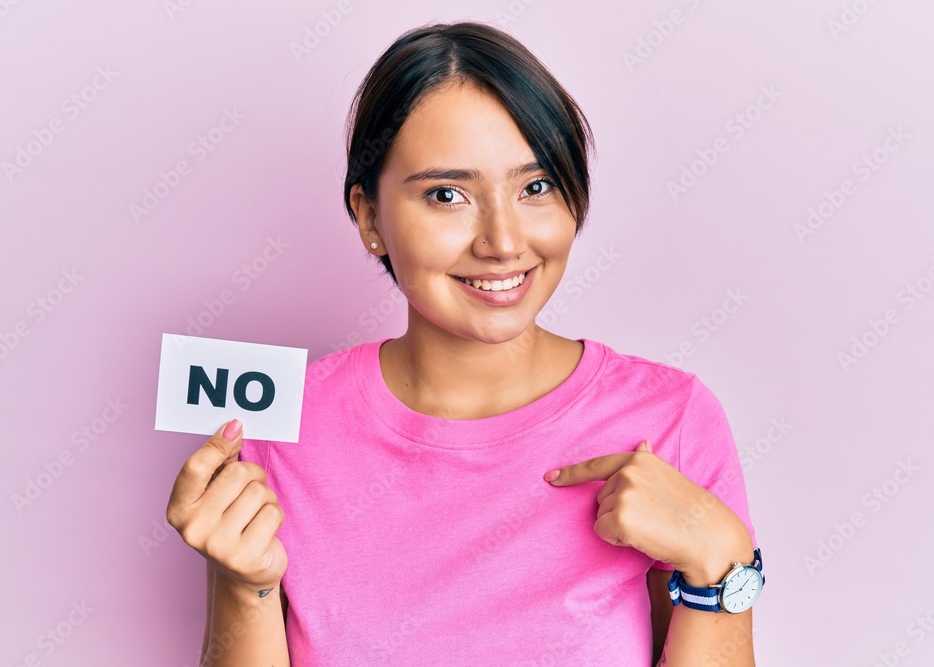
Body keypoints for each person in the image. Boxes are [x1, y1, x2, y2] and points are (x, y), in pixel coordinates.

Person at [166, 20, 762, 666]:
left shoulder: (670, 420)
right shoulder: (276, 429)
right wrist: (244, 586)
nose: (502, 240)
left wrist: (720, 561)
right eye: (448, 195)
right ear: (369, 217)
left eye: (535, 187)